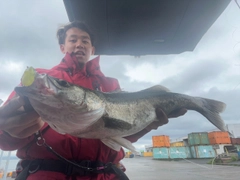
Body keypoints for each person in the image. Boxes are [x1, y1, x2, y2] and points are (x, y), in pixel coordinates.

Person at [0, 21, 187, 180]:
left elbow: (117, 134)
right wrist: (9, 132)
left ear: (92, 49)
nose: (79, 44)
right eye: (73, 40)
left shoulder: (111, 85)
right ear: (62, 47)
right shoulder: (41, 82)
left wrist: (147, 125)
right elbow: (5, 139)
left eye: (85, 41)